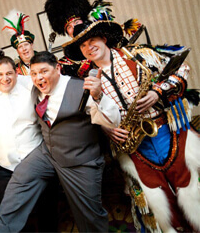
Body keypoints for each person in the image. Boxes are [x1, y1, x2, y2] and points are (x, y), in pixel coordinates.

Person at [63, 20, 200, 232]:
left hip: (167, 131)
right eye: (83, 46)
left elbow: (182, 67)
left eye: (92, 41)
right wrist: (106, 128)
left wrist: (158, 92)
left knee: (190, 186)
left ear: (104, 39)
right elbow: (93, 115)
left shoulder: (139, 55)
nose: (88, 48)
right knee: (158, 199)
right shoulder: (87, 80)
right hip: (134, 145)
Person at [0, 52, 120, 232]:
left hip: (79, 160)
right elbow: (11, 80)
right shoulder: (34, 87)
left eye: (43, 71)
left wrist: (98, 96)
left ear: (57, 68)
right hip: (48, 153)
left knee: (89, 214)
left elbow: (113, 120)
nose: (38, 78)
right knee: (21, 177)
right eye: (34, 73)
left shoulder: (81, 88)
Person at [0, 56, 58, 231]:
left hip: (37, 159)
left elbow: (49, 82)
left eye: (9, 73)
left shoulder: (30, 86)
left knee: (47, 210)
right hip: (4, 168)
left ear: (17, 73)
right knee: (12, 211)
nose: (4, 78)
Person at [2, 9, 36, 75]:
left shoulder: (46, 60)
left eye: (26, 45)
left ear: (32, 45)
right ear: (17, 51)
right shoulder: (15, 71)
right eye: (20, 47)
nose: (24, 49)